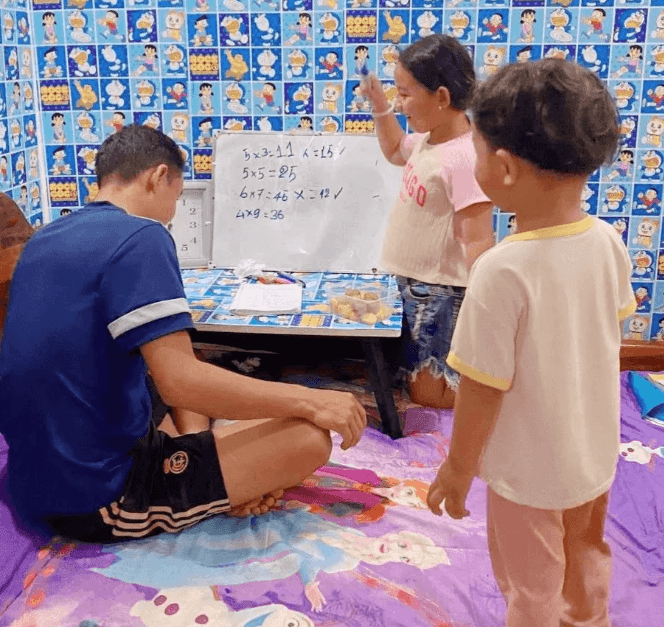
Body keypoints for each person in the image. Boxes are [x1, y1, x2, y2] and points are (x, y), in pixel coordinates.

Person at [0, 124, 367, 543]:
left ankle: (202, 472)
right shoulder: (143, 235)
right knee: (308, 436)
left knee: (171, 370)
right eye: (176, 198)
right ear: (158, 177)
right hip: (97, 498)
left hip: (33, 479)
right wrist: (314, 400)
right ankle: (205, 484)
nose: (173, 215)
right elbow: (181, 384)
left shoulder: (44, 238)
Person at [427, 59, 634, 627]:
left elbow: (482, 387)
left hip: (528, 474)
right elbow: (610, 337)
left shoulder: (501, 270)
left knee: (530, 587)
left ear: (505, 168)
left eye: (475, 148)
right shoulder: (608, 241)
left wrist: (457, 467)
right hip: (593, 457)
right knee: (587, 557)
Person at [361, 34, 494, 409]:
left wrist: (482, 309)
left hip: (438, 292)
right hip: (409, 283)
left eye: (405, 94)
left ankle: (492, 398)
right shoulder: (427, 141)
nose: (399, 102)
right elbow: (392, 150)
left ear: (441, 97)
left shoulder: (464, 158)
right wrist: (379, 106)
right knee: (405, 378)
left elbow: (479, 239)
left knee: (429, 392)